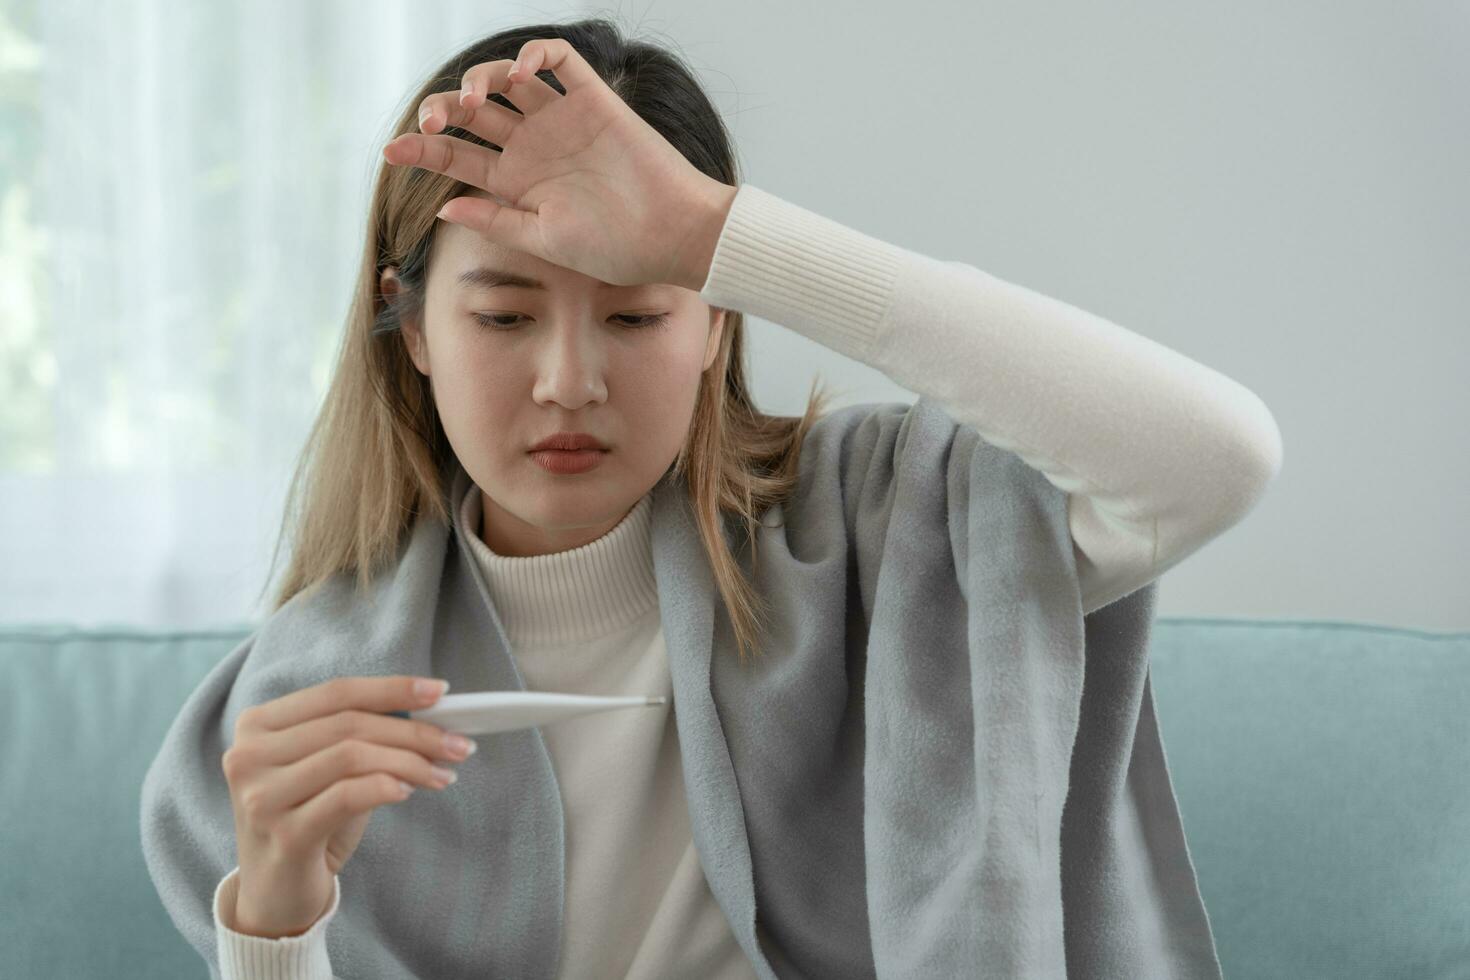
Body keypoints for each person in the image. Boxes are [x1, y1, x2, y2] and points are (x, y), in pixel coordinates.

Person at [141, 15, 1281, 980]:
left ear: (714, 322)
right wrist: (279, 922)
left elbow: (1216, 456)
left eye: (639, 312)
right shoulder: (303, 694)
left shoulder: (893, 530)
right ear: (414, 330)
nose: (569, 382)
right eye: (502, 316)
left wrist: (711, 233)